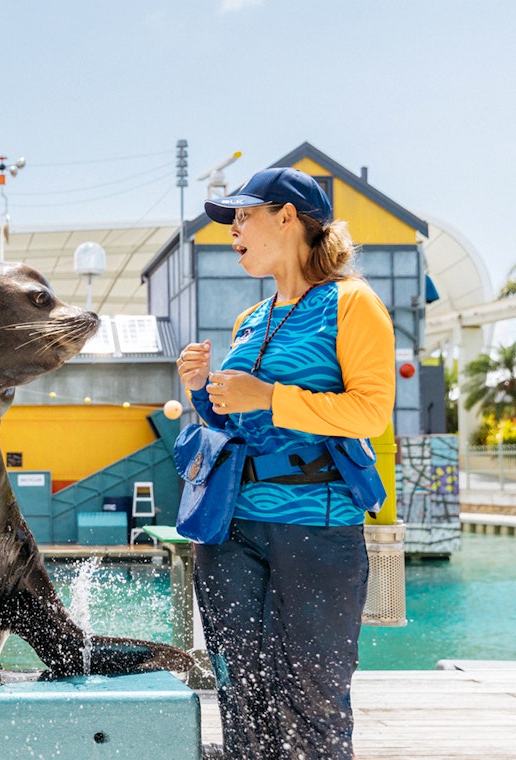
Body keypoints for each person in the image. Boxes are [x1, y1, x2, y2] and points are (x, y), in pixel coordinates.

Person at [175, 167, 395, 759]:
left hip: (317, 526)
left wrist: (269, 396)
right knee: (240, 690)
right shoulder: (254, 317)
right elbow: (233, 422)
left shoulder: (352, 302)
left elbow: (370, 412)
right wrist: (202, 390)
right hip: (229, 529)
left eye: (244, 216)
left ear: (289, 217)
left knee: (313, 693)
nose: (233, 230)